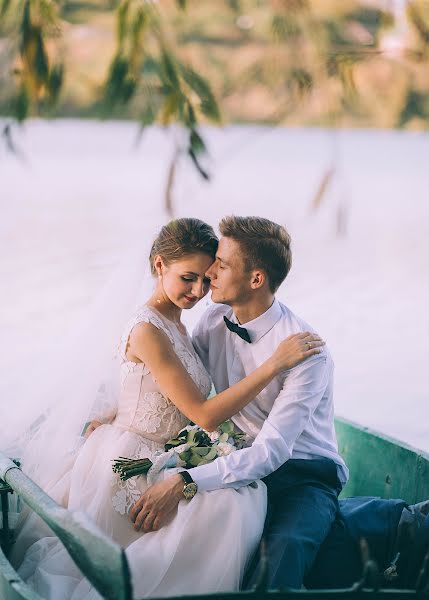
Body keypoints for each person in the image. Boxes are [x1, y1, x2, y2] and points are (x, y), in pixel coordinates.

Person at [12, 217, 324, 599]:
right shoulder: (199, 322)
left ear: (255, 279)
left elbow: (179, 385)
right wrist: (272, 365)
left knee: (252, 519)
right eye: (191, 277)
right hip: (138, 454)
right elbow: (192, 404)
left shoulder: (299, 351)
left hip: (294, 466)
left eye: (213, 272)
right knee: (229, 509)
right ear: (160, 266)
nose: (202, 285)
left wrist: (188, 471)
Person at [131, 215, 349, 591]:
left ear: (256, 279)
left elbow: (272, 451)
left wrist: (186, 480)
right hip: (234, 453)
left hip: (302, 473)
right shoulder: (214, 321)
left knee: (282, 556)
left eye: (222, 264)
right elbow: (177, 379)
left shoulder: (306, 352)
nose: (209, 273)